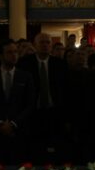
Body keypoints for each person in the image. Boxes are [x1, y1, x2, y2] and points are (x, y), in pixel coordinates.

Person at [0, 39, 35, 163]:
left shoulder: (25, 76)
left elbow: (30, 104)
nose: (14, 55)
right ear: (0, 56)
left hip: (19, 131)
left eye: (16, 52)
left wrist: (14, 123)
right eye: (9, 52)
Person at [18, 33, 68, 161]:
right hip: (33, 112)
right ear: (35, 45)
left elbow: (64, 90)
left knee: (55, 147)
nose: (45, 45)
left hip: (54, 111)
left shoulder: (60, 64)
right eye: (42, 42)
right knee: (35, 148)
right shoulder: (24, 64)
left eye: (47, 42)